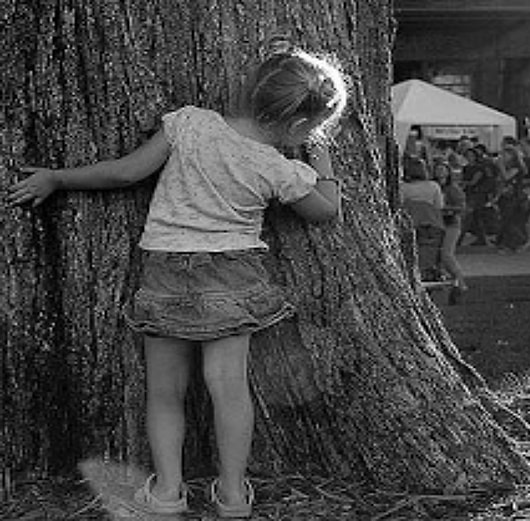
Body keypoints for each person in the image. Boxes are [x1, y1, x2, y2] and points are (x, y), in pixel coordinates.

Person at [7, 49, 348, 518]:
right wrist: (322, 156)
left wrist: (57, 179)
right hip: (232, 276)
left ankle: (168, 492)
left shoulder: (190, 123)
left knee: (165, 390)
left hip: (166, 269)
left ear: (254, 87)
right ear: (299, 127)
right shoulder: (278, 167)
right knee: (229, 388)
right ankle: (232, 495)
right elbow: (326, 210)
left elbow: (125, 172)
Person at [432, 158, 469, 292]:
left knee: (447, 254)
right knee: (436, 255)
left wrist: (446, 209)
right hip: (436, 223)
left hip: (451, 223)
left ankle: (460, 281)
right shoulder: (432, 186)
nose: (440, 172)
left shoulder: (453, 189)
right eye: (437, 169)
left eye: (443, 169)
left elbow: (461, 207)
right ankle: (443, 282)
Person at [494, 145, 530, 253]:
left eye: (504, 155)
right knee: (506, 220)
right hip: (505, 195)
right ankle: (509, 243)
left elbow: (506, 177)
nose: (502, 157)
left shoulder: (516, 167)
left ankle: (518, 242)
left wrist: (501, 166)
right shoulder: (507, 167)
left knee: (512, 221)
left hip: (515, 196)